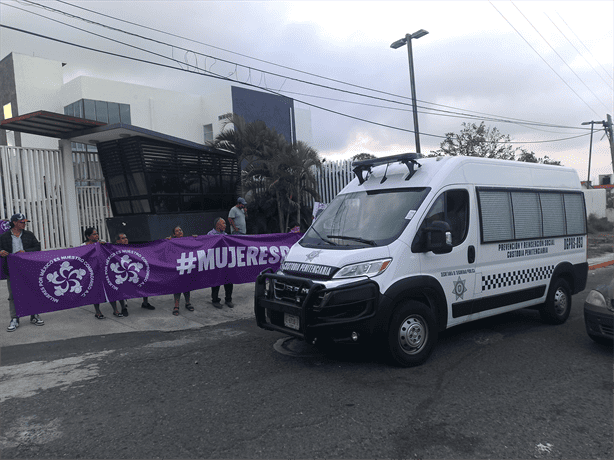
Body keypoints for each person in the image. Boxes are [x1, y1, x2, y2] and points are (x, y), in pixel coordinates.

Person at [0, 213, 45, 332]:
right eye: (22, 222)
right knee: (13, 295)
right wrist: (1, 252)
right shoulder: (4, 236)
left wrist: (25, 251)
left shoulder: (29, 235)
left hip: (28, 268)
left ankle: (34, 315)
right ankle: (14, 318)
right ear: (14, 223)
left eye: (25, 222)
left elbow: (37, 247)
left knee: (32, 291)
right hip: (11, 269)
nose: (24, 224)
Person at [83, 227, 123, 320]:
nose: (97, 235)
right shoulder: (83, 246)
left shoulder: (102, 243)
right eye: (94, 234)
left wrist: (105, 245)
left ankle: (115, 310)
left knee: (111, 289)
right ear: (88, 236)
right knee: (95, 292)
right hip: (92, 272)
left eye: (97, 233)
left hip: (104, 270)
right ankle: (98, 311)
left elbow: (112, 251)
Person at [114, 233, 156, 315]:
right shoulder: (114, 249)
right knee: (121, 288)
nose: (126, 239)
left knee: (145, 282)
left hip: (135, 271)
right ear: (118, 241)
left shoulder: (133, 247)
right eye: (123, 238)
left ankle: (145, 303)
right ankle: (123, 307)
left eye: (126, 237)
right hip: (123, 272)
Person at [207, 217, 234, 309]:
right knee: (216, 281)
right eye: (223, 223)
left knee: (229, 281)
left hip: (226, 261)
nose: (225, 225)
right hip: (215, 262)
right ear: (217, 225)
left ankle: (228, 299)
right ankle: (215, 300)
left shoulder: (225, 235)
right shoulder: (210, 234)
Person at [168, 226, 193, 316]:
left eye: (181, 230)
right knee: (177, 287)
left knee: (187, 286)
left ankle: (188, 303)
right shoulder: (171, 242)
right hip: (177, 267)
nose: (180, 232)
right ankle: (176, 305)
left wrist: (196, 239)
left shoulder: (188, 240)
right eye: (177, 231)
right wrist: (167, 240)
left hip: (186, 266)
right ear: (174, 234)